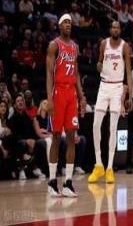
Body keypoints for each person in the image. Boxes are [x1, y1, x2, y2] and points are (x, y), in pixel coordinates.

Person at [88, 21, 133, 184]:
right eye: (113, 27)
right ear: (110, 29)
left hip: (117, 88)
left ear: (120, 30)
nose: (115, 29)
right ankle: (98, 164)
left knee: (113, 128)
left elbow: (129, 72)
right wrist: (98, 66)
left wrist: (130, 96)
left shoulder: (125, 47)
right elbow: (99, 63)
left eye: (117, 27)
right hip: (104, 86)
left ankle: (109, 168)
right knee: (95, 125)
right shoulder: (103, 44)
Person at [46, 14, 85, 196]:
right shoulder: (54, 45)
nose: (68, 24)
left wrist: (81, 96)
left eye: (70, 22)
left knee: (71, 137)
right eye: (65, 22)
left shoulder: (75, 46)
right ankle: (52, 181)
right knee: (55, 136)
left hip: (71, 94)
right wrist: (49, 99)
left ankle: (68, 183)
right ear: (59, 26)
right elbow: (49, 74)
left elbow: (76, 73)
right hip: (58, 92)